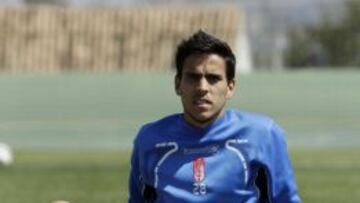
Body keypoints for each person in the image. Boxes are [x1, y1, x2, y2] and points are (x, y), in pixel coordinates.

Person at [128, 30, 301, 203]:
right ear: (177, 84)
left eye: (213, 78)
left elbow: (286, 199)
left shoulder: (263, 134)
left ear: (230, 87)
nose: (202, 87)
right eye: (193, 77)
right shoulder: (149, 138)